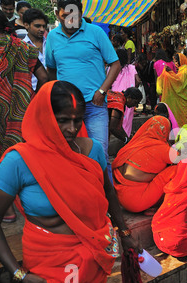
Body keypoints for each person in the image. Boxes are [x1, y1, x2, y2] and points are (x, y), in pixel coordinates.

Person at [0, 80, 139, 283]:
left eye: (77, 120)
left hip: (91, 261)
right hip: (46, 264)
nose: (72, 129)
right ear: (44, 116)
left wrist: (125, 232)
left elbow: (108, 191)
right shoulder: (19, 161)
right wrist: (19, 275)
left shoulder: (92, 151)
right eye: (63, 121)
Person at [45, 0, 121, 181]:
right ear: (57, 15)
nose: (70, 21)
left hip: (94, 105)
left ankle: (107, 203)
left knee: (99, 153)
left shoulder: (95, 32)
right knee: (68, 154)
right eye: (65, 17)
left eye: (75, 17)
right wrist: (56, 97)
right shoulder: (53, 37)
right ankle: (77, 198)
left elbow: (115, 64)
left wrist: (102, 91)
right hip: (67, 108)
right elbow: (51, 70)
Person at [0, 8, 48, 223]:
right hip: (20, 113)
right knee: (18, 156)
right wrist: (31, 99)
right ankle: (29, 204)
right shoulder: (21, 48)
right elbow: (44, 77)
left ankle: (7, 208)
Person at [111, 116, 179, 213]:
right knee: (177, 169)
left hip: (121, 199)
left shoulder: (135, 144)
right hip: (138, 201)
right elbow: (184, 160)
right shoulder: (161, 148)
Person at [157, 52, 187, 128]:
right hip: (182, 100)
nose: (175, 63)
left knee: (184, 120)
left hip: (184, 100)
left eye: (176, 61)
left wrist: (170, 72)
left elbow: (179, 81)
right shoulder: (182, 70)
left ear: (180, 61)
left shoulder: (186, 70)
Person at [110, 48, 141, 138]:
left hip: (115, 97)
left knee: (115, 119)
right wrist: (133, 91)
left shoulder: (112, 68)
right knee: (126, 119)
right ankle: (125, 138)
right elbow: (138, 81)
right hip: (129, 97)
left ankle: (115, 138)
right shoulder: (131, 68)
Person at [107, 87, 142, 156]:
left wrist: (127, 138)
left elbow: (118, 126)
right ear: (129, 97)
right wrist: (126, 140)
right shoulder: (119, 103)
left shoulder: (119, 96)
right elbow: (113, 128)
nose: (134, 105)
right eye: (135, 102)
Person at [23, 8, 48, 91]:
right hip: (31, 92)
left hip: (51, 90)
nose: (42, 29)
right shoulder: (22, 47)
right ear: (26, 25)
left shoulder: (50, 43)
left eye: (44, 26)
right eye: (37, 26)